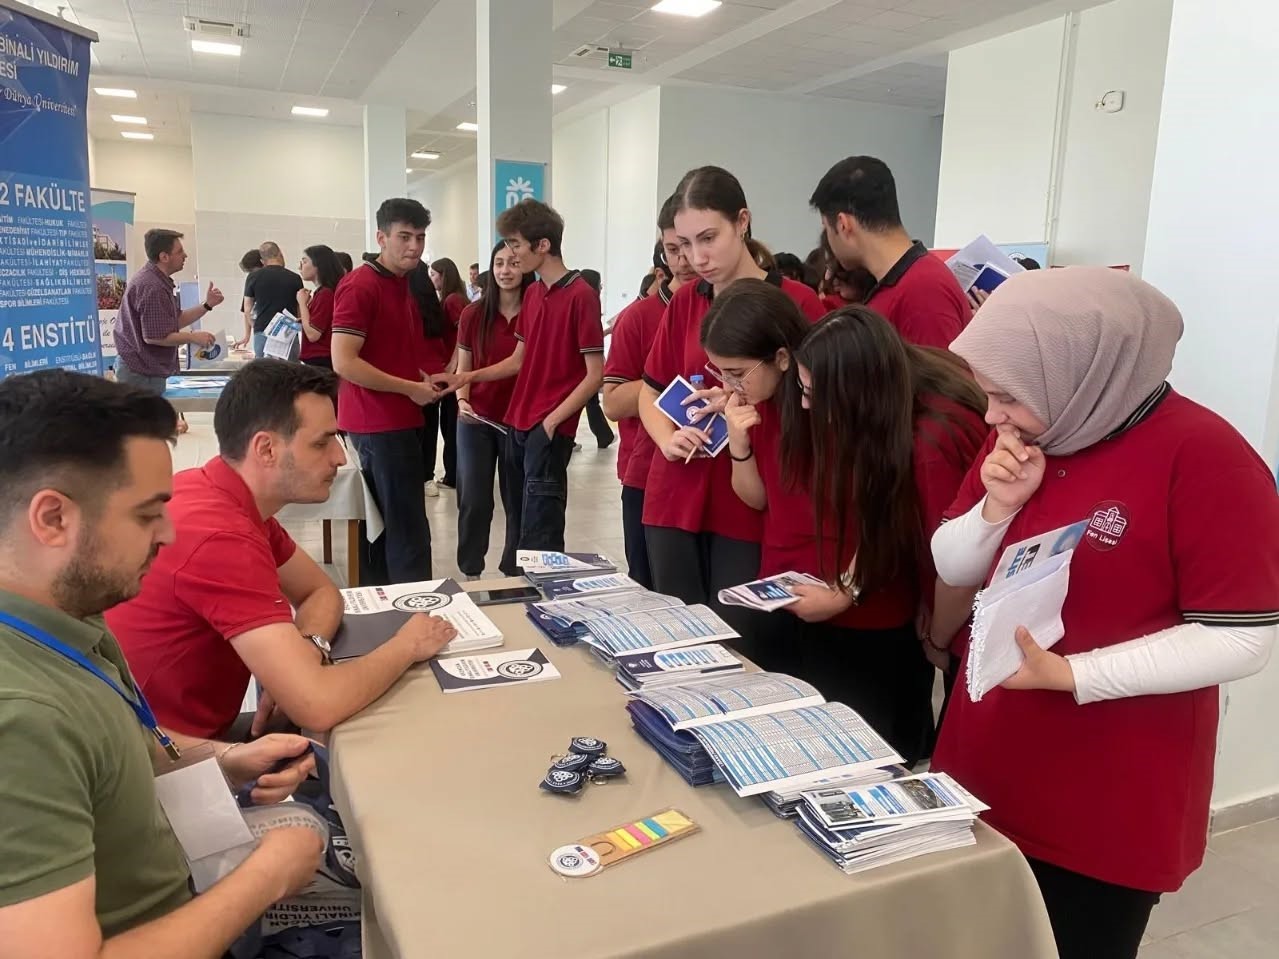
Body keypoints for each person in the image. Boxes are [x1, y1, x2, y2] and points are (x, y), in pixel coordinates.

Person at [928, 267, 1279, 959]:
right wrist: (995, 509)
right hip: (985, 763)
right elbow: (950, 565)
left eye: (1005, 395)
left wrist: (1072, 674)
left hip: (1105, 795)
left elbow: (1241, 640)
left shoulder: (1205, 456)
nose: (990, 415)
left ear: (1081, 370)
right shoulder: (1032, 435)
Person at [0, 369, 329, 956]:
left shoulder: (64, 607)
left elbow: (116, 744)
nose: (169, 532)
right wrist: (268, 876)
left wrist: (225, 759)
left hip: (182, 868)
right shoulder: (21, 721)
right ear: (53, 519)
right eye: (147, 514)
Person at [704, 281, 987, 762]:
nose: (808, 405)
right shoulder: (843, 401)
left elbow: (933, 551)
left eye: (736, 372)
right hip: (825, 598)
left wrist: (932, 631)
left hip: (906, 611)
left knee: (888, 749)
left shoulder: (923, 441)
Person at [105, 359, 457, 741]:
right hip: (174, 765)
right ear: (266, 449)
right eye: (322, 442)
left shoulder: (218, 493)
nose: (339, 458)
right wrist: (407, 645)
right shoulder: (220, 536)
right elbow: (317, 705)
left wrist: (307, 650)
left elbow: (320, 591)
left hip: (182, 741)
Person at [638, 166, 824, 642]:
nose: (697, 258)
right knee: (677, 640)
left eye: (708, 238)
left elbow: (823, 408)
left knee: (745, 646)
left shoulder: (798, 304)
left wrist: (746, 395)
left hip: (753, 499)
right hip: (677, 493)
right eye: (682, 245)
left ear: (742, 222)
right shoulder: (684, 303)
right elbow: (650, 390)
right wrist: (667, 439)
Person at [450, 198, 604, 555]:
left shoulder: (581, 295)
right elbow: (518, 360)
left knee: (541, 532)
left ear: (543, 245)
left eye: (517, 245)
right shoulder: (534, 293)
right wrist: (465, 378)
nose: (513, 256)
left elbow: (595, 374)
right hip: (517, 424)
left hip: (548, 429)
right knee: (519, 523)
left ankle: (539, 603)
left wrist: (550, 423)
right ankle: (514, 594)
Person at [332, 198, 448, 583]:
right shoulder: (361, 285)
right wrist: (409, 388)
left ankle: (385, 608)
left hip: (396, 418)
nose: (413, 246)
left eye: (419, 237)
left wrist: (420, 377)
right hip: (377, 423)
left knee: (385, 526)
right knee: (406, 529)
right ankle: (416, 613)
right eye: (404, 237)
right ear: (381, 237)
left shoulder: (400, 285)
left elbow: (387, 352)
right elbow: (344, 361)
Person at [602, 193, 699, 590]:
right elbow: (612, 402)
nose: (684, 260)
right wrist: (669, 379)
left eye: (693, 245)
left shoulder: (733, 309)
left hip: (722, 476)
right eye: (673, 249)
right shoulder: (638, 317)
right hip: (647, 474)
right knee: (648, 590)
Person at [811, 156, 970, 349]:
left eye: (826, 228)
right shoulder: (903, 283)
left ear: (843, 225)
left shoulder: (922, 292)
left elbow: (942, 377)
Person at [455, 242, 533, 578]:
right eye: (499, 263)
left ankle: (513, 569)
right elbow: (464, 366)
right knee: (474, 499)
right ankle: (471, 568)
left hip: (518, 420)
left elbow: (522, 365)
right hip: (477, 419)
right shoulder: (473, 314)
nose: (505, 270)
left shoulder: (535, 312)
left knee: (516, 500)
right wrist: (461, 400)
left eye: (514, 263)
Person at [113, 228, 221, 394]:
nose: (185, 256)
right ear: (164, 257)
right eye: (180, 251)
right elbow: (155, 337)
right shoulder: (152, 286)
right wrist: (193, 337)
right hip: (140, 374)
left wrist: (207, 305)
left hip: (145, 370)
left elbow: (173, 322)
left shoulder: (157, 281)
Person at [424, 257, 467, 492]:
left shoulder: (453, 300)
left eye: (434, 274)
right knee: (448, 423)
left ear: (444, 275)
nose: (432, 279)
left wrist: (453, 363)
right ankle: (453, 472)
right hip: (450, 368)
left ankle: (454, 474)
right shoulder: (449, 299)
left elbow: (465, 332)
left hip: (454, 370)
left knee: (451, 424)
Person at [240, 241, 304, 358]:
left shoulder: (253, 277)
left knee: (265, 373)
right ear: (280, 254)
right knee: (291, 373)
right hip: (287, 334)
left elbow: (247, 307)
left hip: (262, 332)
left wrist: (256, 325)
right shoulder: (295, 278)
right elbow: (299, 310)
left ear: (262, 261)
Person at [579, 269, 616, 451]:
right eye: (599, 283)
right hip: (584, 363)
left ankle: (604, 435)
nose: (601, 287)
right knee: (590, 400)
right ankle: (604, 435)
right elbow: (590, 338)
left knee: (589, 401)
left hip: (583, 361)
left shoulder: (583, 301)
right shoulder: (589, 302)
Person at [296, 244, 344, 371]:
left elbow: (313, 334)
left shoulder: (326, 294)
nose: (300, 267)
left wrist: (302, 304)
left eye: (304, 261)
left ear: (318, 265)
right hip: (319, 358)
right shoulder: (321, 293)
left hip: (322, 359)